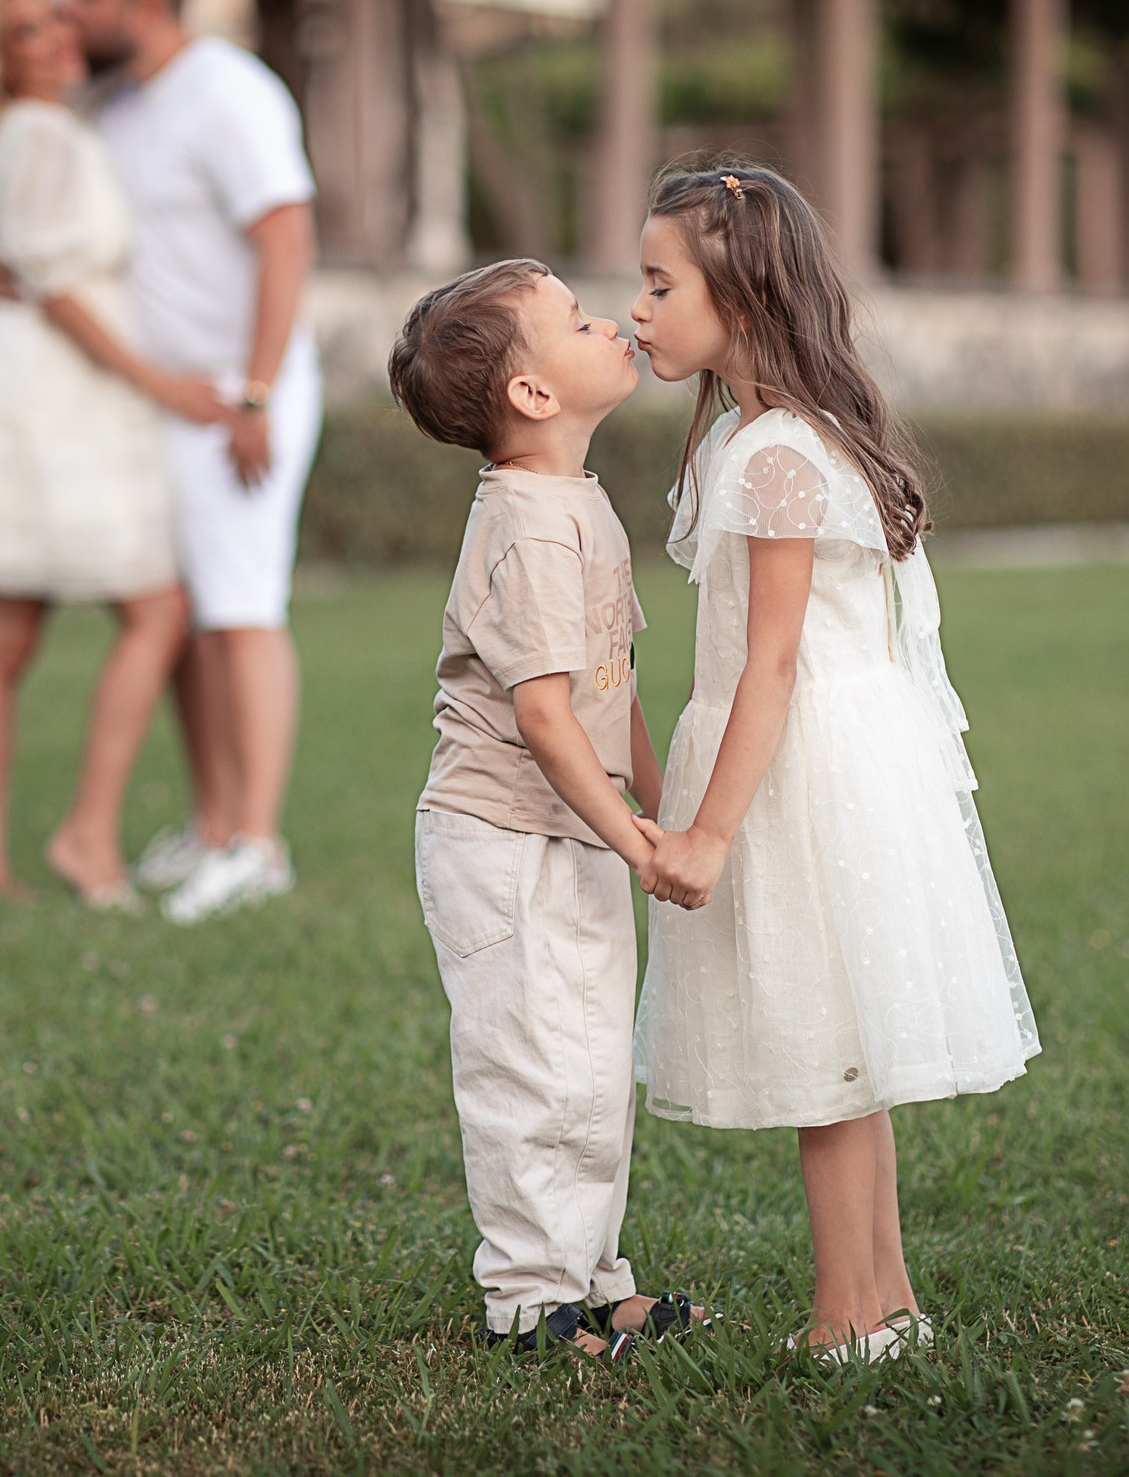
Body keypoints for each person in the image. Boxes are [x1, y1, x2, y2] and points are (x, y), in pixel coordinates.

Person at [627, 166, 1041, 1363]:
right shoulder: (784, 438)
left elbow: (771, 668)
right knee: (846, 1057)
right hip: (841, 758)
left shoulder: (769, 456)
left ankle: (844, 1315)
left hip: (802, 770)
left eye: (661, 285)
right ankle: (887, 1303)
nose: (639, 310)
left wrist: (704, 829)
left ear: (743, 301)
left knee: (821, 1055)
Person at [386, 257, 708, 1359]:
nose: (612, 320)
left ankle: (593, 1279)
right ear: (532, 395)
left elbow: (609, 696)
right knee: (532, 1068)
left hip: (571, 830)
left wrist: (670, 820)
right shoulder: (526, 525)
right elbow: (544, 718)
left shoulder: (572, 501)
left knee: (587, 1063)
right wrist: (634, 839)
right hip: (506, 841)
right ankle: (529, 1303)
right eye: (578, 321)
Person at [0, 0, 320, 925]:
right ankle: (213, 823)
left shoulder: (229, 91)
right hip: (159, 401)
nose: (70, 12)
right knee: (179, 621)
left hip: (233, 400)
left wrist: (254, 393)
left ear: (147, 1)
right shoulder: (114, 108)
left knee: (242, 609)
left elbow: (286, 236)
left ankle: (258, 844)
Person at [0, 0, 224, 905]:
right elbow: (55, 287)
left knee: (3, 640)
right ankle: (83, 836)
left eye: (56, 18)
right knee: (153, 609)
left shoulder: (38, 128)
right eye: (26, 30)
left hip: (24, 385)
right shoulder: (40, 129)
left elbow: (16, 249)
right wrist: (161, 383)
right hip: (56, 399)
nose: (53, 37)